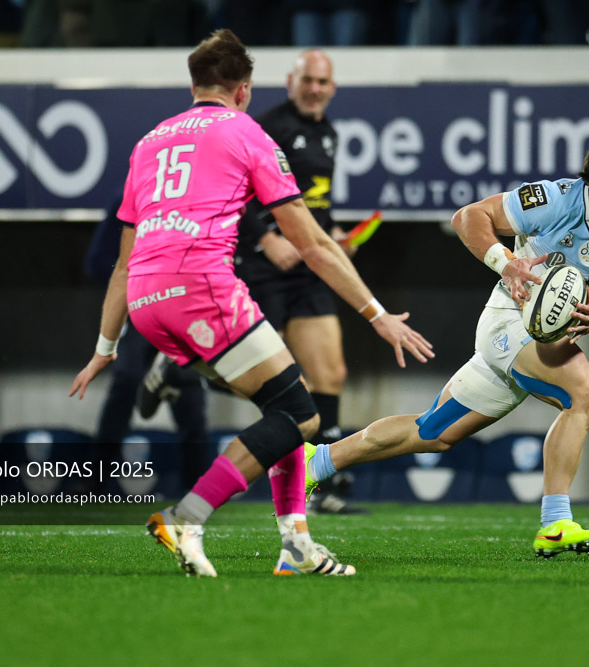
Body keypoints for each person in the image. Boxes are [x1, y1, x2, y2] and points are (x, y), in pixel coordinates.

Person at [69, 29, 433, 578]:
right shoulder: (248, 132)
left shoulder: (148, 143)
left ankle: (296, 546)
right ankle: (187, 516)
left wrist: (105, 346)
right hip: (202, 288)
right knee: (300, 416)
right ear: (245, 90)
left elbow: (122, 264)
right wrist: (377, 315)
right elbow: (312, 244)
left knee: (283, 406)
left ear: (193, 85)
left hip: (147, 300)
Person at [304, 134, 589, 558]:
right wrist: (506, 262)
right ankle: (555, 523)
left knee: (432, 432)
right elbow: (468, 217)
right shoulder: (554, 199)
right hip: (509, 321)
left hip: (542, 339)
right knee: (586, 394)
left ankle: (314, 462)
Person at [144, 48, 370, 514]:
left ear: (333, 87)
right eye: (307, 80)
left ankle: (322, 481)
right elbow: (232, 190)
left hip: (306, 268)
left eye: (323, 82)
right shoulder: (264, 126)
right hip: (263, 267)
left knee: (330, 373)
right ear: (291, 81)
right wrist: (267, 237)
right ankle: (181, 370)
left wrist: (332, 237)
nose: (315, 89)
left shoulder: (327, 133)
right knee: (280, 382)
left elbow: (311, 207)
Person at [85, 198, 211, 495]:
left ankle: (199, 489)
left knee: (190, 394)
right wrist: (140, 277)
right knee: (125, 382)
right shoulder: (127, 199)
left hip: (183, 311)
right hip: (140, 308)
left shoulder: (195, 199)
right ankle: (95, 482)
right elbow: (98, 261)